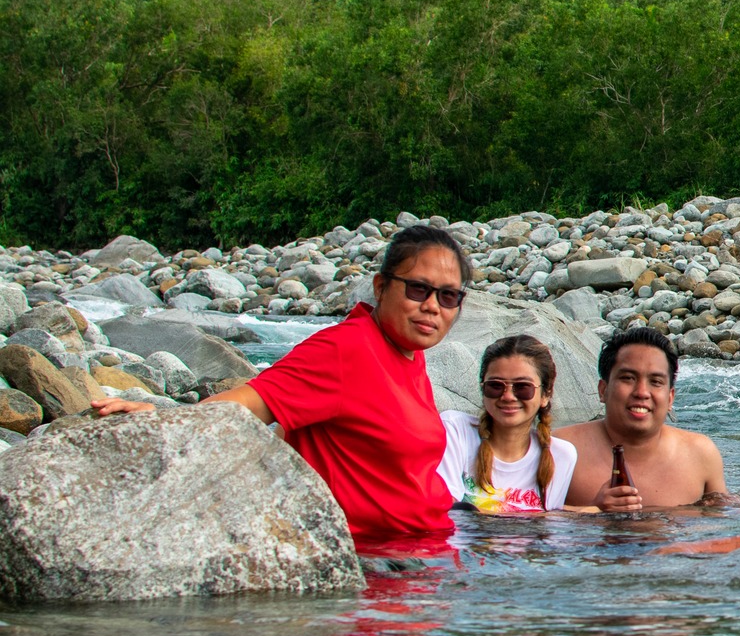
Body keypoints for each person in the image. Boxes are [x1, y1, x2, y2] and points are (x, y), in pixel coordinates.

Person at [92, 223, 473, 547]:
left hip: (425, 547)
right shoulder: (347, 349)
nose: (433, 307)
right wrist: (164, 419)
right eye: (418, 289)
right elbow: (250, 404)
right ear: (380, 287)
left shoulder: (407, 353)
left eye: (448, 296)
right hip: (377, 564)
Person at [559, 327, 730, 511]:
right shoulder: (559, 450)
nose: (641, 392)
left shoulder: (701, 455)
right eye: (628, 378)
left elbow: (721, 530)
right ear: (603, 390)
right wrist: (591, 510)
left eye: (655, 382)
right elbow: (528, 517)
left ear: (670, 397)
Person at [439, 334, 577, 514]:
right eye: (496, 386)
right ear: (483, 389)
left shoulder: (561, 455)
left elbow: (548, 529)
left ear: (545, 394)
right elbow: (445, 511)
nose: (508, 396)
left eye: (522, 387)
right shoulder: (455, 430)